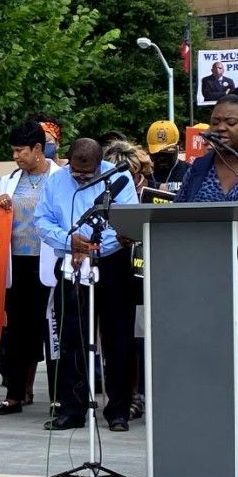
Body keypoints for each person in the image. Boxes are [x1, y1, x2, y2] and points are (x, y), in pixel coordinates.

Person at [34, 138, 139, 432]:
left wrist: (90, 246)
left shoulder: (118, 176)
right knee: (72, 339)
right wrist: (70, 241)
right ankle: (72, 409)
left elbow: (125, 223)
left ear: (99, 163)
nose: (81, 176)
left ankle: (118, 411)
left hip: (111, 263)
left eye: (89, 172)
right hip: (71, 263)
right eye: (77, 171)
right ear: (68, 160)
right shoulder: (55, 182)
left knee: (118, 339)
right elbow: (42, 220)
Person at [0, 119, 59, 414]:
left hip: (51, 264)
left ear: (37, 149)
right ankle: (16, 394)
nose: (16, 156)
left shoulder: (60, 178)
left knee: (53, 330)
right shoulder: (8, 181)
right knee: (17, 331)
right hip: (16, 263)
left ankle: (59, 395)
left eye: (21, 151)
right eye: (13, 151)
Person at [175, 95, 238, 203]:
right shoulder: (198, 167)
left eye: (231, 122)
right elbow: (177, 213)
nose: (220, 128)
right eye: (215, 122)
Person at [146, 120, 188, 193]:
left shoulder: (189, 172)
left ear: (178, 146)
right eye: (157, 153)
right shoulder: (144, 174)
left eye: (167, 153)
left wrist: (156, 186)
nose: (162, 157)